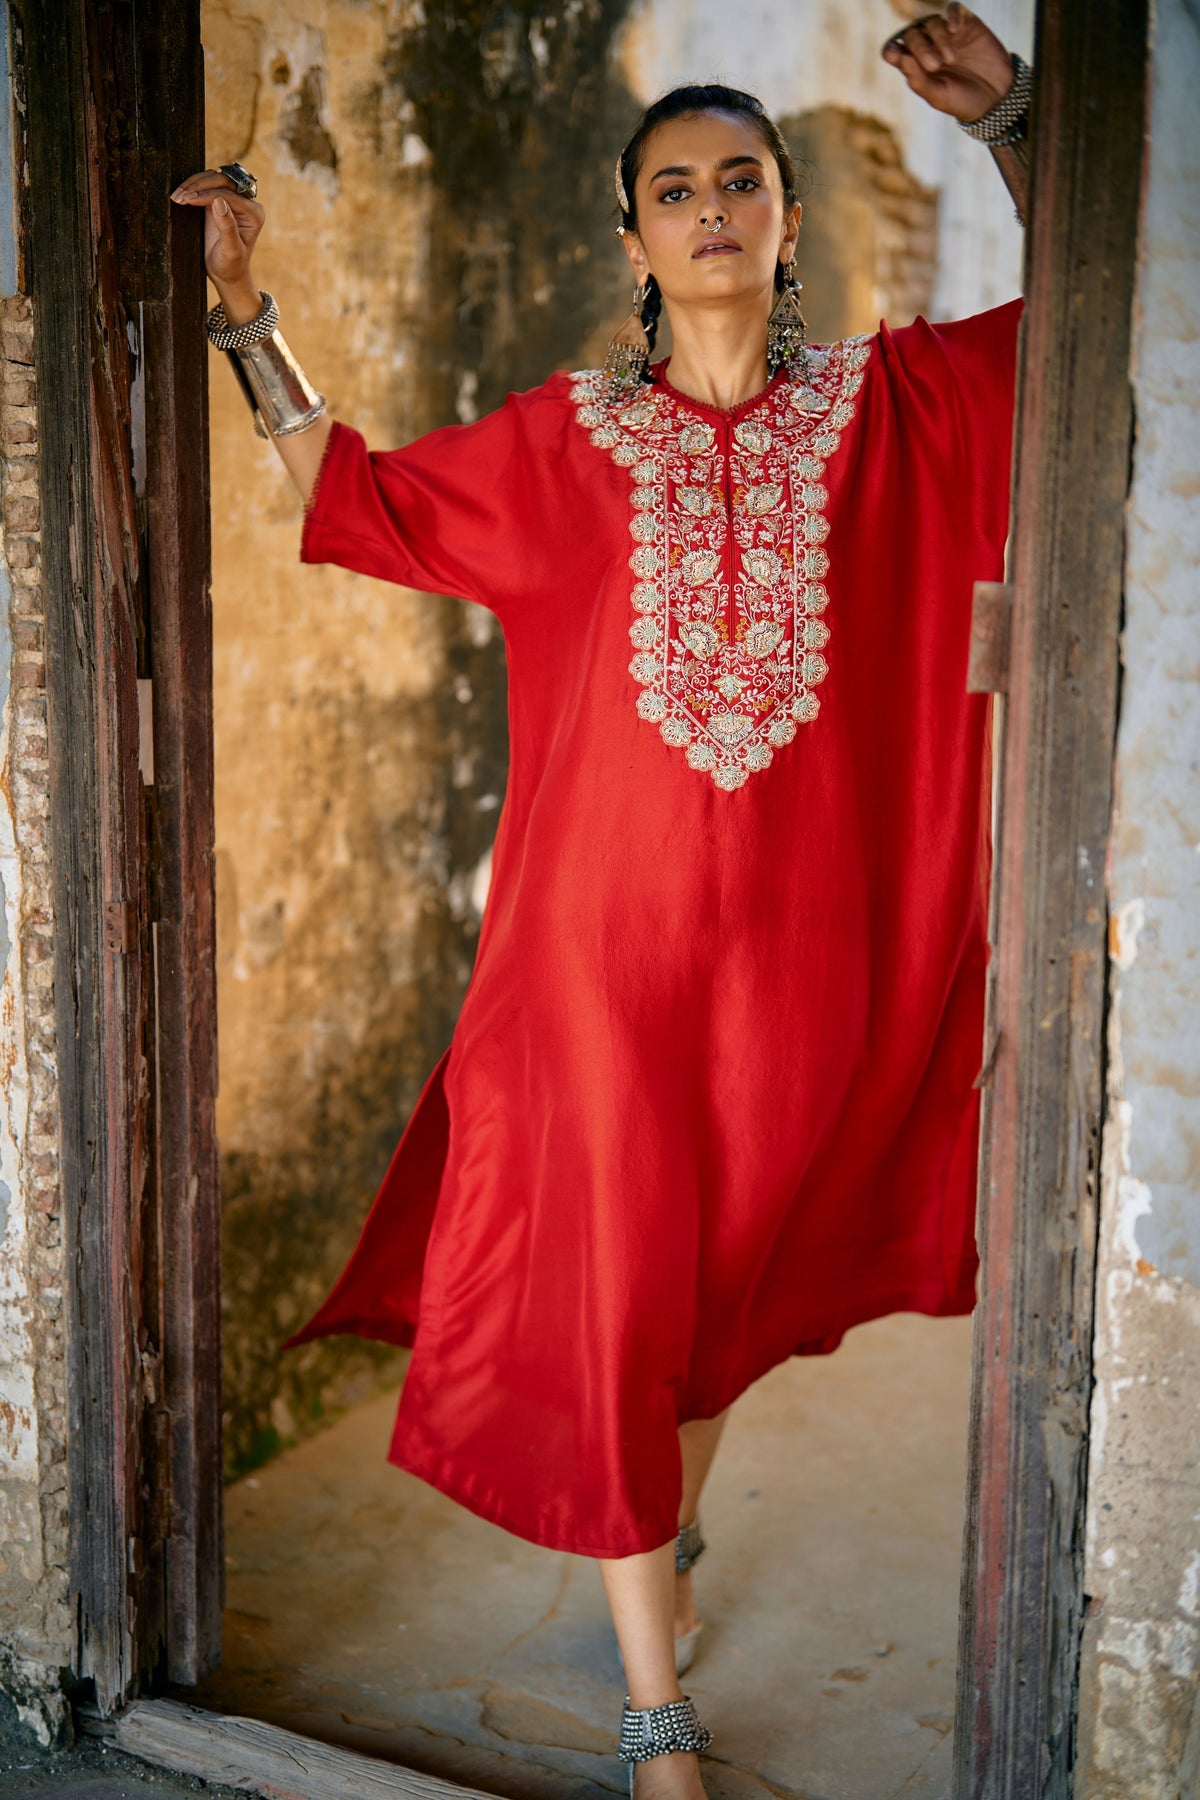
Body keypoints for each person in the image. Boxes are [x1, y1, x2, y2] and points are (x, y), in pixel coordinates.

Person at [174, 7, 1030, 1794]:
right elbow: (366, 500)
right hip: (596, 970)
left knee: (725, 1293)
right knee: (619, 1288)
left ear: (788, 222)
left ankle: (667, 1530)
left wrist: (1017, 119)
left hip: (811, 978)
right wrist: (248, 323)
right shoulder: (569, 443)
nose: (709, 208)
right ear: (631, 241)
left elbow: (1085, 331)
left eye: (741, 181)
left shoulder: (899, 408)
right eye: (673, 189)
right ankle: (659, 1715)